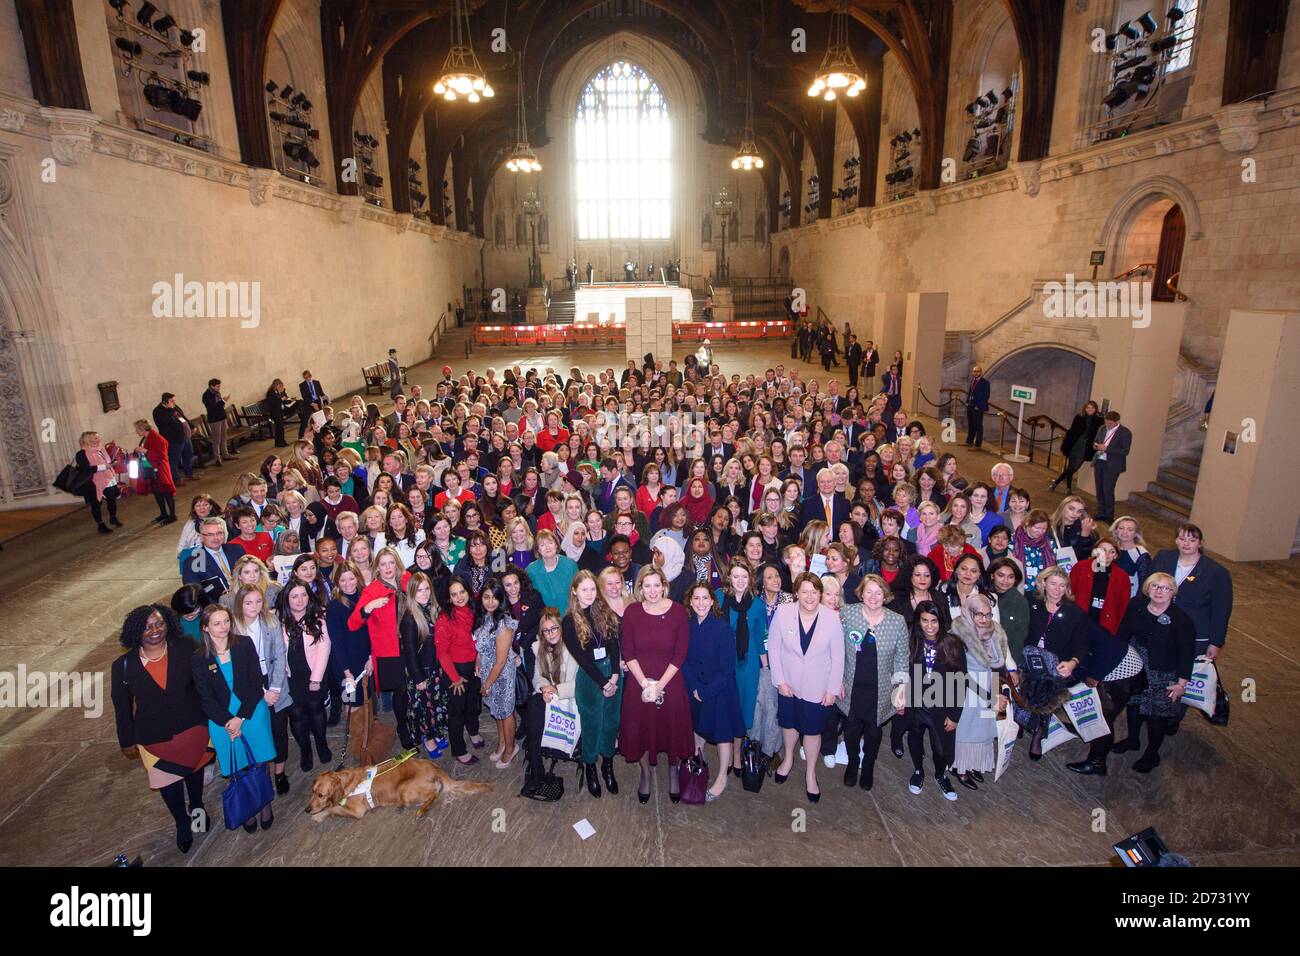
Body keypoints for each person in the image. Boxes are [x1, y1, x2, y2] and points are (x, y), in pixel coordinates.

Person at [111, 605, 213, 854]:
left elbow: (204, 683)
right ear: (136, 632)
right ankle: (182, 822)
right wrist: (126, 740)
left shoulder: (186, 646)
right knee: (168, 783)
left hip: (193, 727)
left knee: (194, 772)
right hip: (155, 737)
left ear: (168, 624)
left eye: (159, 624)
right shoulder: (123, 666)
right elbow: (122, 706)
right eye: (147, 627)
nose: (154, 631)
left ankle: (197, 808)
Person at [190, 605, 276, 832]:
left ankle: (265, 803)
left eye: (226, 621)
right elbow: (205, 698)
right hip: (222, 720)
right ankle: (247, 808)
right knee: (238, 767)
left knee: (259, 762)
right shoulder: (199, 658)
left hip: (251, 711)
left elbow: (255, 681)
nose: (223, 627)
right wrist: (229, 721)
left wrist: (241, 718)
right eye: (216, 623)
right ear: (206, 628)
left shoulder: (243, 644)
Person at [1109, 573, 1197, 773]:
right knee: (1132, 704)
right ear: (1147, 589)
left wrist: (1181, 684)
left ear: (1173, 592)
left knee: (1157, 714)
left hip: (1163, 671)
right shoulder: (1136, 606)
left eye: (1165, 588)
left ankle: (1152, 753)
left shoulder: (1182, 620)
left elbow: (1186, 654)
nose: (1159, 591)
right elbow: (1123, 633)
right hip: (1135, 664)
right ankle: (1132, 740)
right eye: (1155, 586)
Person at [768, 573, 844, 803]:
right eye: (804, 591)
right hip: (788, 683)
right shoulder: (783, 613)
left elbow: (838, 657)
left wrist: (832, 689)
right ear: (796, 593)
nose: (809, 597)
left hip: (817, 687)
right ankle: (788, 758)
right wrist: (780, 680)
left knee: (812, 731)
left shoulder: (832, 618)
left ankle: (810, 772)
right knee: (789, 724)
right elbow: (773, 648)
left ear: (820, 594)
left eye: (814, 592)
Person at [620, 567, 693, 803]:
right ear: (640, 588)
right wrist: (644, 684)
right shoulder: (631, 612)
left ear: (664, 585)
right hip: (639, 682)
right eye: (646, 586)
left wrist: (659, 686)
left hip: (669, 681)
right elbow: (628, 652)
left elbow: (680, 654)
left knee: (671, 729)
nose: (652, 591)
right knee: (639, 729)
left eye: (656, 585)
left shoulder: (679, 612)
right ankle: (645, 773)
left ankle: (673, 769)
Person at [836, 575, 909, 792]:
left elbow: (902, 660)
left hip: (881, 691)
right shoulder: (847, 614)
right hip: (851, 686)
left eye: (879, 592)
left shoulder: (897, 621)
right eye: (869, 591)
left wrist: (901, 691)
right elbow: (836, 650)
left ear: (885, 595)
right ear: (861, 593)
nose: (873, 597)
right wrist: (836, 681)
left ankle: (868, 764)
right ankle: (852, 761)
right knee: (850, 729)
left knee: (873, 732)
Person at [683, 583, 748, 801]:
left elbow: (727, 669)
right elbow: (683, 660)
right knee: (697, 727)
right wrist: (694, 688)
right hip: (695, 688)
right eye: (696, 598)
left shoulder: (722, 628)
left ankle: (722, 776)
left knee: (722, 734)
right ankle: (698, 760)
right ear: (690, 602)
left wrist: (706, 691)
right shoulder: (687, 626)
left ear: (712, 602)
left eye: (705, 598)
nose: (700, 603)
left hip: (718, 689)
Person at [562, 570, 623, 798]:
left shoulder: (604, 611)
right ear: (575, 591)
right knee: (592, 724)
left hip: (612, 673)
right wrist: (603, 682)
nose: (589, 594)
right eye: (584, 589)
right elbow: (582, 657)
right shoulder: (568, 621)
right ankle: (590, 767)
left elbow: (615, 643)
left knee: (611, 723)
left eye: (592, 589)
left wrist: (615, 674)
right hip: (590, 678)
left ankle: (608, 764)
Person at [902, 601, 966, 800]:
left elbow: (960, 682)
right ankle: (918, 770)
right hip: (916, 704)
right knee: (915, 739)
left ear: (941, 621)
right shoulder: (911, 641)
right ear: (918, 621)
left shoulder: (953, 644)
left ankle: (940, 774)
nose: (930, 626)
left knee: (941, 748)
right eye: (925, 621)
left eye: (934, 621)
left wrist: (954, 715)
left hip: (941, 705)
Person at [950, 593, 1012, 790]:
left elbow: (996, 666)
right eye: (979, 615)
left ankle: (974, 763)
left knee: (985, 728)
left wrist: (995, 693)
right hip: (968, 687)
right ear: (969, 613)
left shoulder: (995, 631)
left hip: (989, 682)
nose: (984, 619)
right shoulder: (958, 634)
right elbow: (957, 670)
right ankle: (960, 767)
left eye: (987, 614)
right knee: (966, 729)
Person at [717, 560, 769, 776]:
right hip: (722, 661)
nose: (740, 581)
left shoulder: (757, 604)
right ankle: (725, 754)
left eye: (744, 577)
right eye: (735, 576)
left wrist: (765, 668)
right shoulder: (719, 597)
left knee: (742, 710)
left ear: (750, 579)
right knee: (725, 707)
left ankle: (737, 754)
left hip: (747, 664)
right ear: (729, 577)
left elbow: (759, 637)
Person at [275, 581, 332, 772]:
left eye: (303, 595)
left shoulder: (318, 617)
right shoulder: (277, 619)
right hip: (290, 677)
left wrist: (316, 678)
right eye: (294, 596)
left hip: (314, 673)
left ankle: (321, 743)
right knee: (296, 714)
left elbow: (325, 648)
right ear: (286, 599)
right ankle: (305, 750)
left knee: (316, 710)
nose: (300, 600)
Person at [395, 571, 449, 760]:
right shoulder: (410, 618)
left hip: (435, 668)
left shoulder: (433, 610)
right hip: (421, 672)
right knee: (423, 708)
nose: (424, 594)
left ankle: (436, 732)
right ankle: (428, 738)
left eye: (427, 589)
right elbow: (409, 652)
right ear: (411, 593)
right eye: (419, 591)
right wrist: (418, 678)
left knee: (435, 704)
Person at [436, 575, 485, 764]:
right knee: (457, 712)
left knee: (473, 704)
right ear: (448, 597)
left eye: (462, 592)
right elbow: (442, 653)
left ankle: (473, 732)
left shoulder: (475, 610)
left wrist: (479, 661)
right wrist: (455, 678)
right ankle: (458, 749)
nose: (459, 597)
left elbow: (477, 639)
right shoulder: (445, 618)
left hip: (475, 667)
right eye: (454, 594)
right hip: (456, 671)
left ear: (468, 591)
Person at [474, 577, 520, 769]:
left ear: (501, 599)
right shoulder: (485, 618)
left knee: (506, 712)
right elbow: (480, 646)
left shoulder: (505, 624)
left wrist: (487, 685)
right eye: (486, 597)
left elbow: (501, 662)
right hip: (488, 672)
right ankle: (502, 743)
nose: (490, 601)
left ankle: (511, 748)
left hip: (501, 676)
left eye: (495, 597)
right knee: (497, 712)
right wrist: (478, 662)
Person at [75, 431, 123, 534]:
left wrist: (111, 464)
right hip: (92, 482)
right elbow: (85, 469)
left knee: (112, 500)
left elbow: (107, 462)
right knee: (96, 504)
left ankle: (113, 517)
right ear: (87, 440)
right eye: (95, 438)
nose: (98, 440)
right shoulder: (81, 454)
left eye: (98, 438)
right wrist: (104, 467)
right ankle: (100, 524)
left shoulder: (100, 450)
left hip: (107, 479)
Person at [1051, 400, 1103, 494]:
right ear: (1085, 408)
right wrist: (1066, 443)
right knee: (1071, 466)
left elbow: (1101, 434)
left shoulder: (1099, 420)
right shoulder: (1079, 417)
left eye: (1092, 408)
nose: (1090, 409)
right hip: (1075, 444)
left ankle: (1057, 482)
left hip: (1086, 447)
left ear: (1095, 409)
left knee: (1074, 468)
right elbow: (1072, 430)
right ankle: (1068, 488)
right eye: (1088, 407)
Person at [1090, 410, 1131, 522]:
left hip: (1113, 465)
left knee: (1108, 489)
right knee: (1099, 489)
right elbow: (1096, 441)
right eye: (1106, 422)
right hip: (1100, 461)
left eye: (1110, 423)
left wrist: (1107, 449)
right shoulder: (1102, 428)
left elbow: (1125, 451)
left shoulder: (1125, 432)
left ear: (1117, 421)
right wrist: (1096, 445)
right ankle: (1101, 512)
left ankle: (1109, 515)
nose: (1108, 425)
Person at [153, 392, 196, 483]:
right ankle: (176, 479)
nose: (174, 403)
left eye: (174, 400)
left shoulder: (174, 407)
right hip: (173, 439)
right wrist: (170, 410)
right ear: (165, 402)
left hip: (184, 436)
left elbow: (182, 417)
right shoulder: (158, 411)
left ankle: (189, 474)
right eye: (172, 401)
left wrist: (191, 426)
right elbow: (162, 422)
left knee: (188, 454)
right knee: (174, 459)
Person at [202, 378, 238, 464]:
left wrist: (222, 401)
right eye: (217, 386)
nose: (219, 388)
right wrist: (223, 401)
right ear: (212, 386)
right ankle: (217, 458)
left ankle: (225, 454)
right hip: (214, 419)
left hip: (222, 417)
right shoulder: (207, 395)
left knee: (224, 437)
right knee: (216, 440)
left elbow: (219, 406)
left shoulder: (217, 393)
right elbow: (212, 407)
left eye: (219, 386)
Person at [964, 365, 990, 449]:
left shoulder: (985, 382)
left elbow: (986, 396)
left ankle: (977, 445)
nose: (975, 373)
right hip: (970, 406)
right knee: (971, 425)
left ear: (980, 372)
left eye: (977, 371)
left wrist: (979, 406)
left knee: (978, 426)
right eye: (974, 371)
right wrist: (967, 402)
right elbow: (970, 393)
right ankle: (969, 442)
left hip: (978, 408)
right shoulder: (973, 381)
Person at [298, 370, 328, 439]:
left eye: (308, 377)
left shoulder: (316, 383)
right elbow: (304, 396)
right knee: (305, 420)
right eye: (305, 378)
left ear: (311, 376)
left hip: (317, 402)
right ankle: (300, 435)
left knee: (321, 418)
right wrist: (312, 404)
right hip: (308, 403)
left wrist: (325, 399)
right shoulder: (302, 385)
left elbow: (321, 393)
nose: (307, 379)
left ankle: (322, 432)